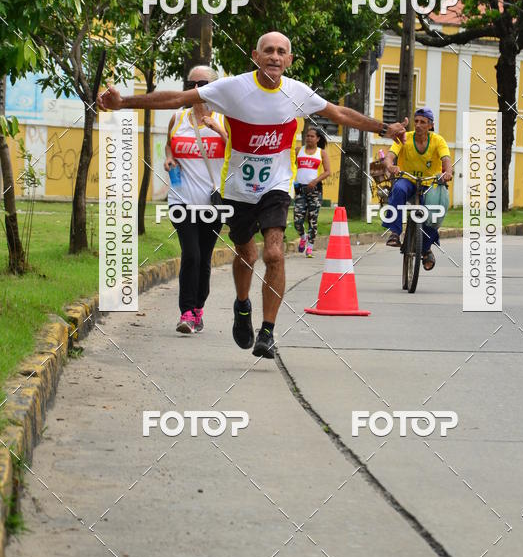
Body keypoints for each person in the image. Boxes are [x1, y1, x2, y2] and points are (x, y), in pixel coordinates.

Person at [97, 32, 407, 359]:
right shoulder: (233, 88)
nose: (274, 56)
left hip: (277, 186)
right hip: (237, 190)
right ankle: (242, 306)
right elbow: (177, 99)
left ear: (289, 60)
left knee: (273, 253)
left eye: (281, 52)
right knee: (246, 254)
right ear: (255, 56)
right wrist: (124, 102)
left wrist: (383, 129)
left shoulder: (296, 92)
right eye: (268, 51)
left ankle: (268, 332)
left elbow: (340, 114)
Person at [165, 66, 228, 334]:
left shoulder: (226, 119)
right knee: (190, 254)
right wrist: (168, 157)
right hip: (181, 200)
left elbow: (237, 154)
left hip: (213, 202)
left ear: (214, 87)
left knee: (203, 258)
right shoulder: (178, 117)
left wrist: (220, 131)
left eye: (201, 83)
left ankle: (198, 308)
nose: (195, 88)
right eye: (190, 83)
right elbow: (169, 143)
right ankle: (186, 312)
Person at [382, 106, 452, 271]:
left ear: (430, 125)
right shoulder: (405, 138)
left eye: (423, 122)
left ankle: (426, 249)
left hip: (430, 183)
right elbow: (389, 157)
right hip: (408, 180)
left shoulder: (438, 140)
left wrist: (448, 172)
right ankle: (394, 232)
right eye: (417, 121)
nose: (419, 125)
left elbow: (446, 159)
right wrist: (390, 166)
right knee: (398, 189)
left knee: (436, 210)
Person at [293, 126, 331, 257]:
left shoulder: (321, 153)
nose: (309, 138)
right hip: (300, 190)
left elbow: (328, 171)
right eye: (307, 136)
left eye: (312, 136)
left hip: (315, 190)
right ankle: (303, 237)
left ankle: (310, 247)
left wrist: (315, 181)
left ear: (317, 139)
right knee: (297, 220)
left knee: (312, 220)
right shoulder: (299, 150)